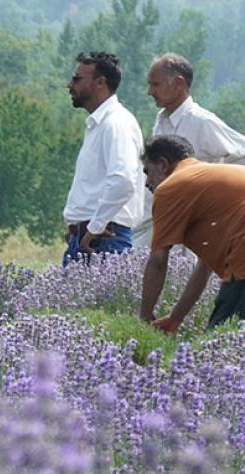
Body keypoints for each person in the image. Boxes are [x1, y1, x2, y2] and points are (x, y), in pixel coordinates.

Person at [137, 53, 245, 247]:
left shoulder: (202, 122)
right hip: (161, 221)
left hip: (195, 230)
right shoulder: (161, 122)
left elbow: (241, 154)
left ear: (179, 83)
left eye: (156, 85)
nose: (150, 92)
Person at [139, 135, 245, 332]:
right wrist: (175, 318)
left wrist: (143, 319)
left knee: (221, 342)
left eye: (148, 172)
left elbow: (158, 260)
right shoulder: (205, 179)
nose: (147, 183)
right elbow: (204, 266)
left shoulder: (171, 188)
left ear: (163, 164)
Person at [62, 51, 145, 265]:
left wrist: (95, 226)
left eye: (77, 79)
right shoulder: (102, 124)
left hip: (103, 238)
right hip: (90, 236)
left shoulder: (115, 123)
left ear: (100, 82)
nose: (70, 85)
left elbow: (123, 180)